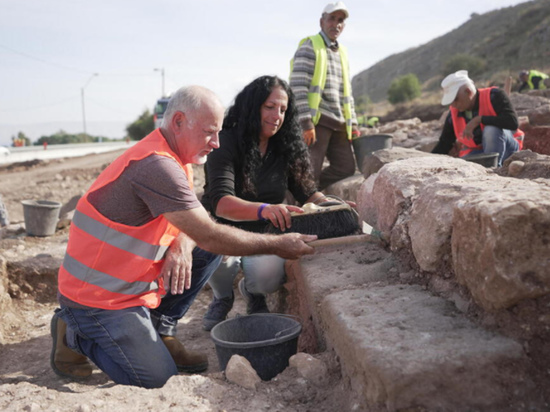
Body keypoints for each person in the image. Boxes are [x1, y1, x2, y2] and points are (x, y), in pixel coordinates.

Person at [51, 85, 317, 389]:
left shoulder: (176, 157)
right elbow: (210, 234)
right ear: (178, 121)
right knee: (155, 378)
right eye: (209, 132)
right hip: (97, 299)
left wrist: (180, 242)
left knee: (203, 251)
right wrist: (278, 245)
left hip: (129, 286)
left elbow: (196, 223)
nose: (216, 143)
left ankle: (159, 328)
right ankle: (74, 333)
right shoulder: (157, 165)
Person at [200, 75, 327, 331]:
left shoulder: (285, 146)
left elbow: (308, 194)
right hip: (222, 229)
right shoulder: (225, 141)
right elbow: (221, 203)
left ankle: (253, 291)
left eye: (282, 109)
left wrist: (333, 205)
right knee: (206, 252)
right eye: (269, 107)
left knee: (268, 275)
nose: (277, 115)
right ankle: (223, 296)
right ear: (253, 106)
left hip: (264, 233)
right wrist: (265, 210)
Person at [289, 1, 361, 190]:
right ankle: (299, 209)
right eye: (332, 19)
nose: (336, 24)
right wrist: (305, 123)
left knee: (345, 168)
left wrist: (352, 123)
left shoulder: (343, 53)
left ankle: (313, 191)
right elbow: (297, 87)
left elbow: (347, 92)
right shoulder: (310, 46)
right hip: (317, 122)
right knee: (309, 171)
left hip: (339, 123)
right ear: (322, 21)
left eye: (340, 20)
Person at [432, 70, 524, 167]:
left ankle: (494, 169)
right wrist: (428, 159)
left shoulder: (495, 96)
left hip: (507, 148)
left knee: (491, 130)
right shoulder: (453, 113)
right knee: (462, 166)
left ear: (468, 92)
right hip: (477, 152)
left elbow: (512, 122)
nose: (453, 105)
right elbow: (445, 143)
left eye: (455, 99)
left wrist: (479, 119)